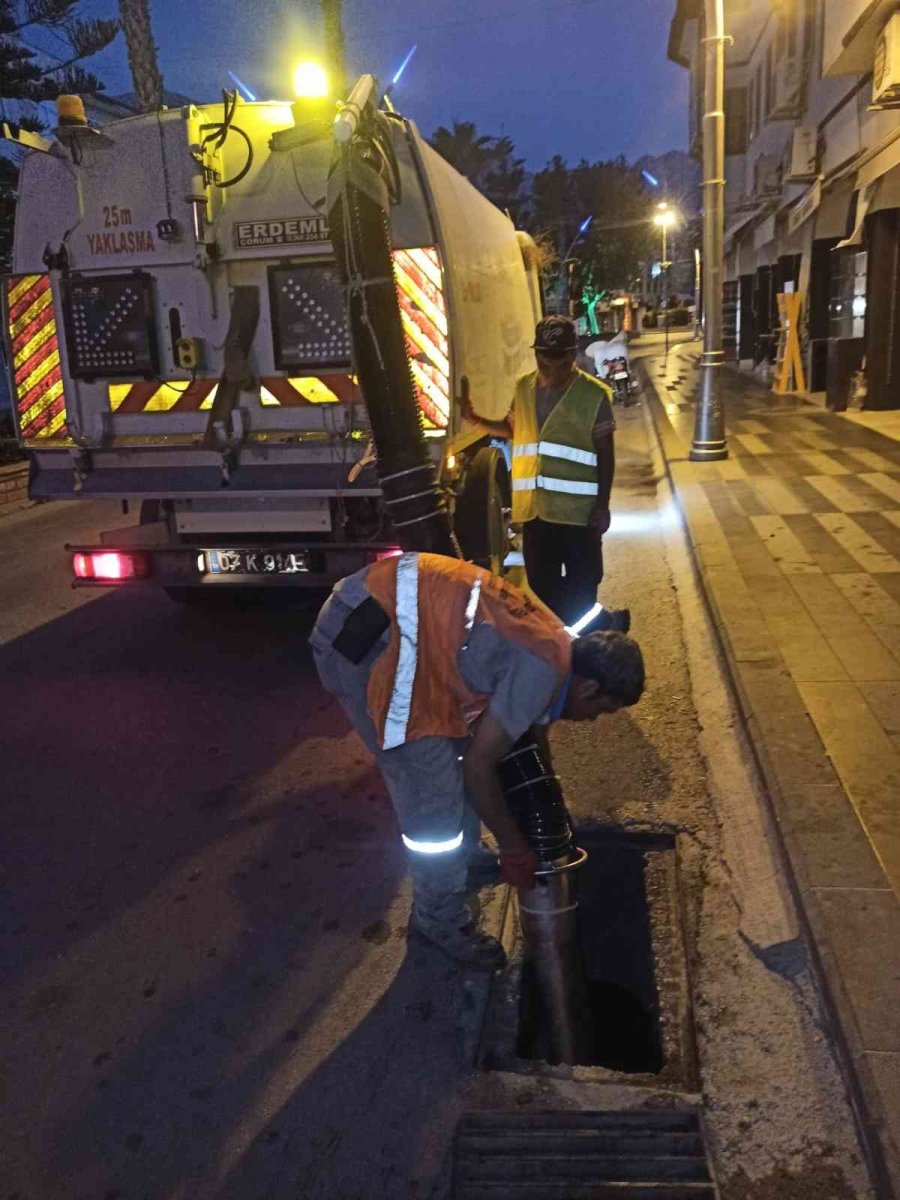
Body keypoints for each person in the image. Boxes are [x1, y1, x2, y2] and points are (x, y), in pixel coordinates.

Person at [310, 551, 645, 971]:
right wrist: (514, 847)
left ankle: (460, 864)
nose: (593, 721)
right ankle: (439, 918)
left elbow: (528, 729)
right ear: (591, 688)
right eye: (603, 710)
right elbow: (479, 768)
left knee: (453, 755)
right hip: (366, 642)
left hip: (383, 613)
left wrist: (549, 791)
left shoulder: (558, 646)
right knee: (435, 802)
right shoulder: (540, 670)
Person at [461, 315, 616, 626]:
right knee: (541, 586)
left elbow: (606, 456)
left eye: (561, 363)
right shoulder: (524, 388)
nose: (553, 372)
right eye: (546, 363)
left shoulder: (594, 395)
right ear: (536, 355)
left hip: (579, 516)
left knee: (584, 587)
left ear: (574, 355)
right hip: (535, 512)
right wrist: (474, 418)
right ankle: (594, 631)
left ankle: (587, 646)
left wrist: (602, 506)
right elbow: (511, 428)